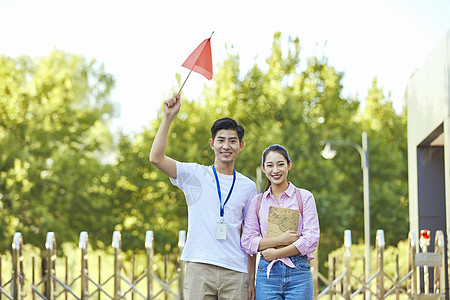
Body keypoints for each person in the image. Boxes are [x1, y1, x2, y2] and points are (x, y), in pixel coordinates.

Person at [149, 93, 257, 300]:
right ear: (212, 143)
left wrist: (251, 278)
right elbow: (156, 158)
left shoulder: (248, 186)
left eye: (232, 141)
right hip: (200, 266)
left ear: (241, 145)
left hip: (236, 270)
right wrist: (168, 117)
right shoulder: (194, 174)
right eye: (221, 140)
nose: (226, 146)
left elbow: (251, 234)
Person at [241, 144, 320, 300]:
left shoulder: (304, 197)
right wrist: (280, 240)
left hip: (299, 272)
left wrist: (277, 253)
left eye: (280, 164)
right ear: (263, 168)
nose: (275, 170)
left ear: (289, 165)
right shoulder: (257, 202)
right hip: (267, 274)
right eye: (270, 165)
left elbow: (311, 239)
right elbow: (247, 241)